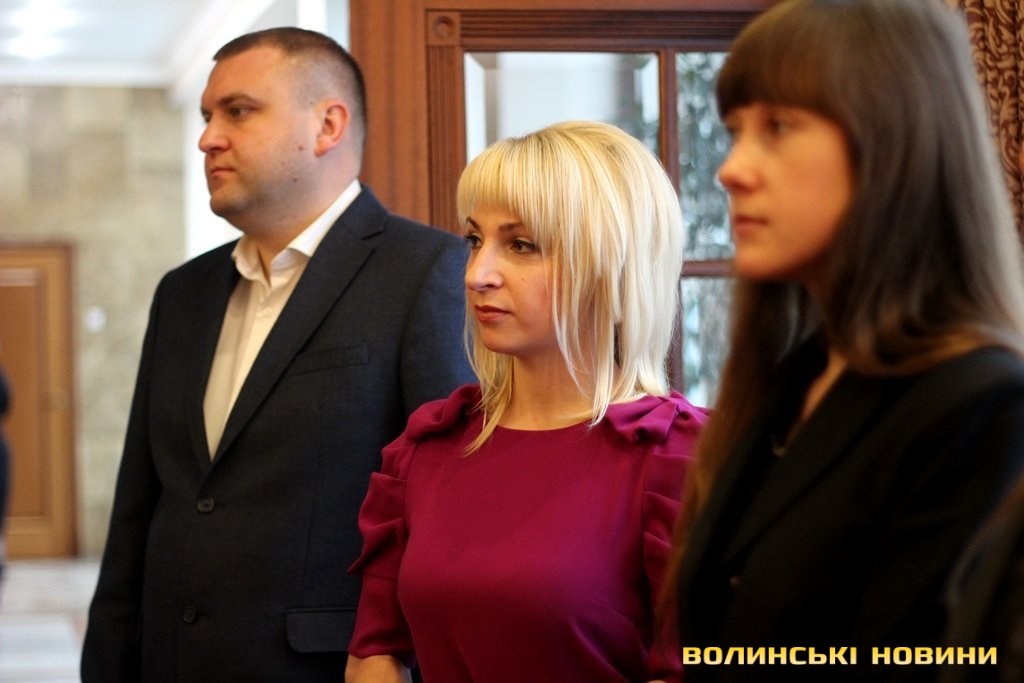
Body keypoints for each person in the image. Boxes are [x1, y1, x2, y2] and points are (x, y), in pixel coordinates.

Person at [81, 27, 474, 682]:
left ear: (327, 126)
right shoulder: (182, 293)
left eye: (238, 111)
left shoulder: (426, 273)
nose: (208, 138)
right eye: (207, 116)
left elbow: (444, 519)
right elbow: (137, 513)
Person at [668, 1, 1024, 681]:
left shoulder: (981, 404)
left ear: (895, 140)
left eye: (778, 127)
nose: (731, 169)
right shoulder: (793, 379)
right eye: (736, 131)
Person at [345, 120, 708, 683]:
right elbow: (375, 654)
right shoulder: (426, 450)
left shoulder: (679, 458)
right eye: (474, 240)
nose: (477, 274)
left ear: (612, 266)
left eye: (521, 245)